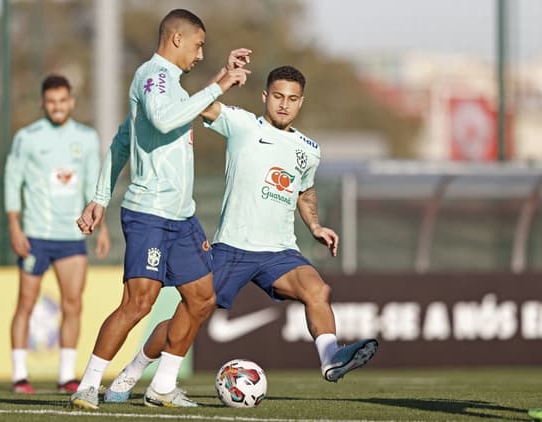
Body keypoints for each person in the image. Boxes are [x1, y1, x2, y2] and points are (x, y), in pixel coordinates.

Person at [102, 66, 379, 405]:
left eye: (292, 99)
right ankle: (134, 369)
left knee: (317, 289)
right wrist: (222, 79)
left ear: (301, 103)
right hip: (232, 248)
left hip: (279, 251)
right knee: (186, 318)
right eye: (277, 96)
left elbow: (305, 193)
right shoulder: (242, 123)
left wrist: (316, 226)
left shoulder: (309, 149)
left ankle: (330, 357)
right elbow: (200, 106)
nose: (283, 104)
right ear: (266, 96)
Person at [69, 9, 251, 409]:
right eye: (198, 45)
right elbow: (164, 120)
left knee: (202, 298)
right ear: (176, 39)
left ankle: (162, 386)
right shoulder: (151, 76)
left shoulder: (174, 86)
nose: (200, 54)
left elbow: (121, 141)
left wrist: (99, 196)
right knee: (139, 304)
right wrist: (219, 84)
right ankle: (88, 385)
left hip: (181, 217)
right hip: (149, 213)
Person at [4, 74, 111, 394]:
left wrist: (102, 227)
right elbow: (13, 181)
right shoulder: (27, 137)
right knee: (25, 302)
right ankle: (20, 375)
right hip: (35, 234)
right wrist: (14, 226)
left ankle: (67, 376)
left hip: (72, 237)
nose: (57, 107)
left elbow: (96, 184)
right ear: (43, 103)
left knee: (73, 304)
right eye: (51, 101)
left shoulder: (87, 137)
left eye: (62, 101)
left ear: (72, 102)